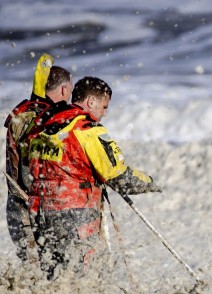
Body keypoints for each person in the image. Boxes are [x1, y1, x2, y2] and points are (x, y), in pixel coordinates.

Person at [27, 76, 161, 279]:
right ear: (91, 102)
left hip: (41, 213)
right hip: (77, 214)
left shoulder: (43, 128)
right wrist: (151, 183)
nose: (104, 114)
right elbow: (118, 176)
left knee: (54, 277)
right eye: (104, 107)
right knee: (85, 277)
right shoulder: (88, 130)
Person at [4, 54, 72, 261]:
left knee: (31, 271)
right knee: (53, 269)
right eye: (70, 89)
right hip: (37, 206)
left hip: (15, 205)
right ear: (63, 89)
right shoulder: (49, 120)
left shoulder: (22, 113)